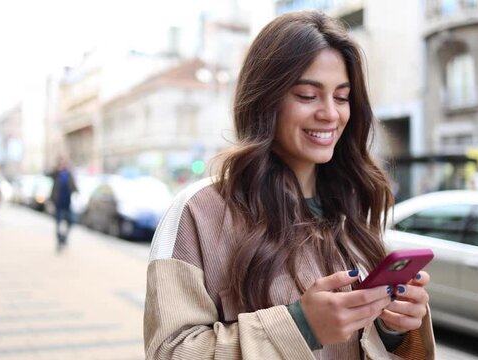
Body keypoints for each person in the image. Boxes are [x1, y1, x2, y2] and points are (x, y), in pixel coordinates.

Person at [144, 11, 435, 359]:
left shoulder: (352, 206)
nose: (330, 113)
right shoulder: (199, 211)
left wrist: (392, 328)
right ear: (266, 100)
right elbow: (170, 352)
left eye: (341, 97)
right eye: (308, 95)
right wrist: (300, 326)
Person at [48, 157, 77, 252]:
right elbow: (48, 174)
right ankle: (59, 241)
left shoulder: (68, 174)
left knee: (71, 222)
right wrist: (56, 169)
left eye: (63, 164)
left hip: (67, 203)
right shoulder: (56, 174)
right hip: (58, 203)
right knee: (58, 223)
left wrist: (76, 191)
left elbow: (73, 186)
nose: (62, 165)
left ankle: (64, 237)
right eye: (60, 164)